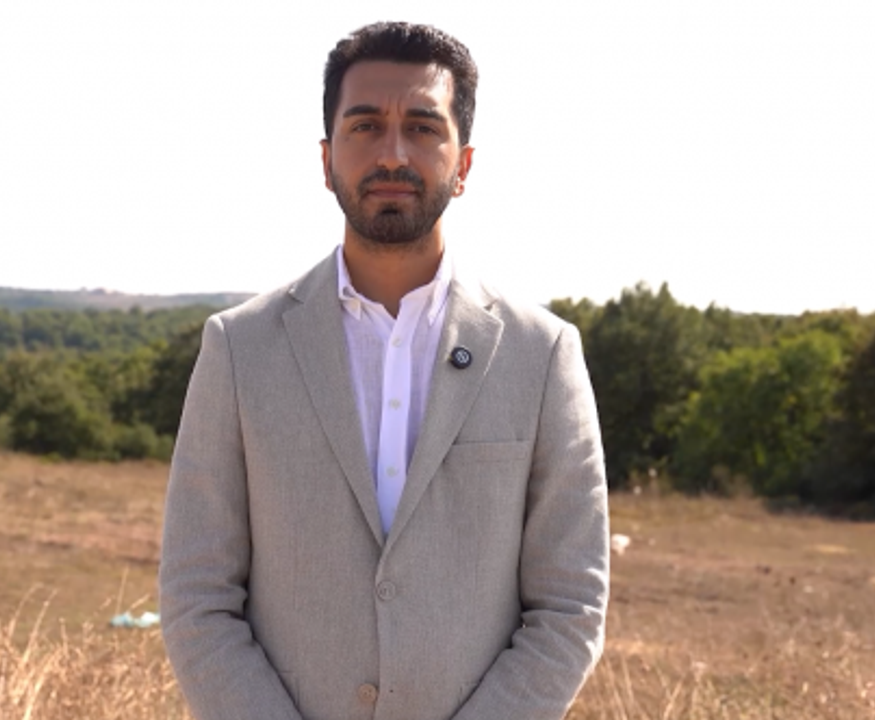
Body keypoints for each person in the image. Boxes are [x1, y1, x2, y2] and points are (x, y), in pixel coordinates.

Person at [159, 21, 610, 720]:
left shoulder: (542, 355)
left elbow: (570, 607)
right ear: (326, 159)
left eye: (423, 128)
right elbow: (197, 596)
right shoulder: (239, 349)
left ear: (463, 165)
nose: (393, 154)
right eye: (365, 126)